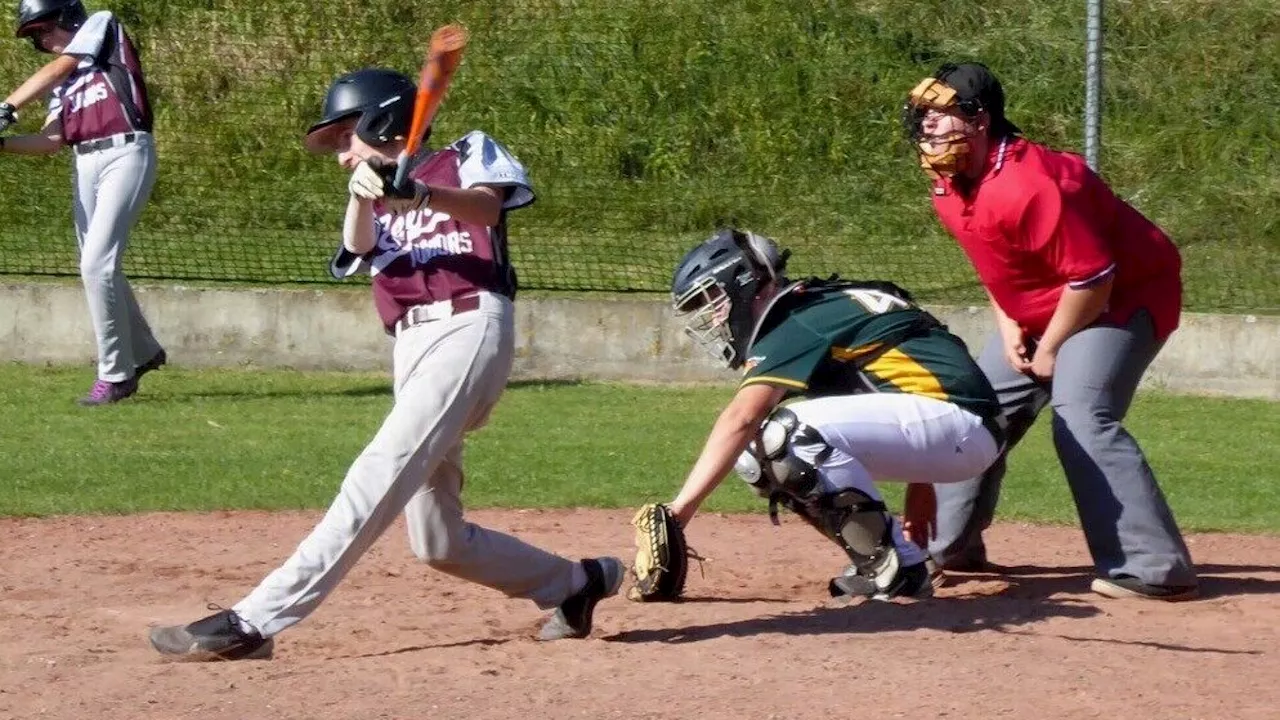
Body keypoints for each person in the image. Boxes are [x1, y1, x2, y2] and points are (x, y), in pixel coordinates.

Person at [148, 67, 622, 661]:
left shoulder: (464, 153)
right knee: (438, 540)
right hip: (412, 346)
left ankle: (252, 622)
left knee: (376, 475)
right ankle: (575, 585)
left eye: (349, 137)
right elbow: (359, 249)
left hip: (467, 328)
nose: (343, 154)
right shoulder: (369, 197)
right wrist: (365, 191)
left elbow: (486, 210)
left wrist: (420, 192)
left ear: (383, 121)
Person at [901, 61, 1198, 600]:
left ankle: (1154, 568)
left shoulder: (1028, 184)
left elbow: (1095, 278)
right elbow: (997, 263)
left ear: (980, 120)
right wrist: (1009, 321)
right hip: (1047, 305)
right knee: (969, 411)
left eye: (944, 115)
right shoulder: (950, 186)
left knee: (1082, 413)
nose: (930, 126)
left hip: (1122, 298)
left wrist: (1052, 348)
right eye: (926, 114)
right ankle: (952, 551)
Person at [661, 227, 1005, 600]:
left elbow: (741, 417)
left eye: (714, 301)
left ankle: (898, 567)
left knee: (784, 436)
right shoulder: (816, 305)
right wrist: (922, 484)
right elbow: (914, 375)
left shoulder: (796, 319)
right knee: (755, 454)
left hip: (958, 421)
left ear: (745, 286)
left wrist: (678, 514)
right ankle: (879, 560)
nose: (713, 320)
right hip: (953, 423)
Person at [0, 0, 166, 405]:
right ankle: (143, 351)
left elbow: (59, 66)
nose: (44, 41)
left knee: (96, 264)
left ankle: (115, 375)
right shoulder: (64, 83)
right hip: (84, 163)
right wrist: (2, 144)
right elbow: (52, 140)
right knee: (99, 265)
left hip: (125, 152)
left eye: (45, 29)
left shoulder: (101, 26)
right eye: (37, 37)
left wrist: (6, 107)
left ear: (68, 18)